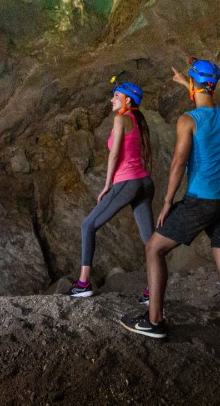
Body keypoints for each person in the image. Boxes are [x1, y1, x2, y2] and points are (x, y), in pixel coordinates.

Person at [119, 59, 220, 364]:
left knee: (154, 248)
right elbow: (206, 97)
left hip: (201, 201)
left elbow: (179, 162)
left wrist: (167, 202)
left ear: (193, 86)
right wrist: (188, 81)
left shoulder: (187, 120)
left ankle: (154, 322)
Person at [69, 75, 155, 299]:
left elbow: (115, 154)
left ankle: (83, 283)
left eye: (116, 96)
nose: (111, 99)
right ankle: (153, 290)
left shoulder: (121, 119)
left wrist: (107, 185)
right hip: (145, 182)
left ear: (127, 100)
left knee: (88, 225)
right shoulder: (138, 120)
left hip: (127, 182)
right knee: (151, 241)